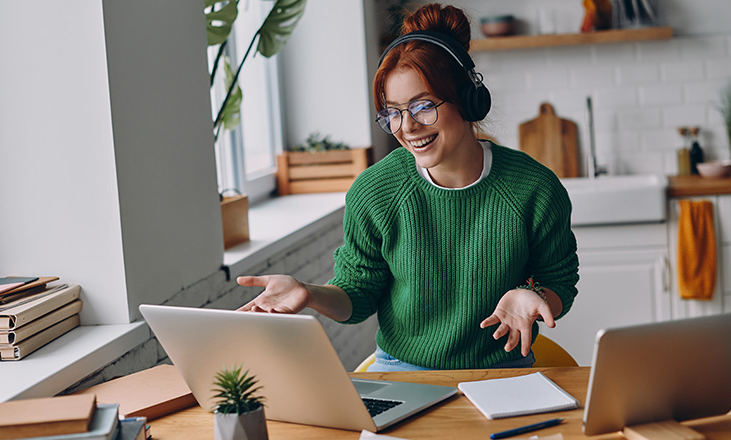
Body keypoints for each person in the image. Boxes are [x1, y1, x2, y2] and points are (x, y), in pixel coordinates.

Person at [237, 3, 579, 371]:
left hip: (501, 370)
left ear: (468, 99)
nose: (408, 127)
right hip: (402, 371)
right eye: (393, 112)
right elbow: (359, 295)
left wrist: (533, 294)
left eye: (423, 106)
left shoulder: (533, 188)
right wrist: (310, 294)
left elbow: (559, 280)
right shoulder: (375, 191)